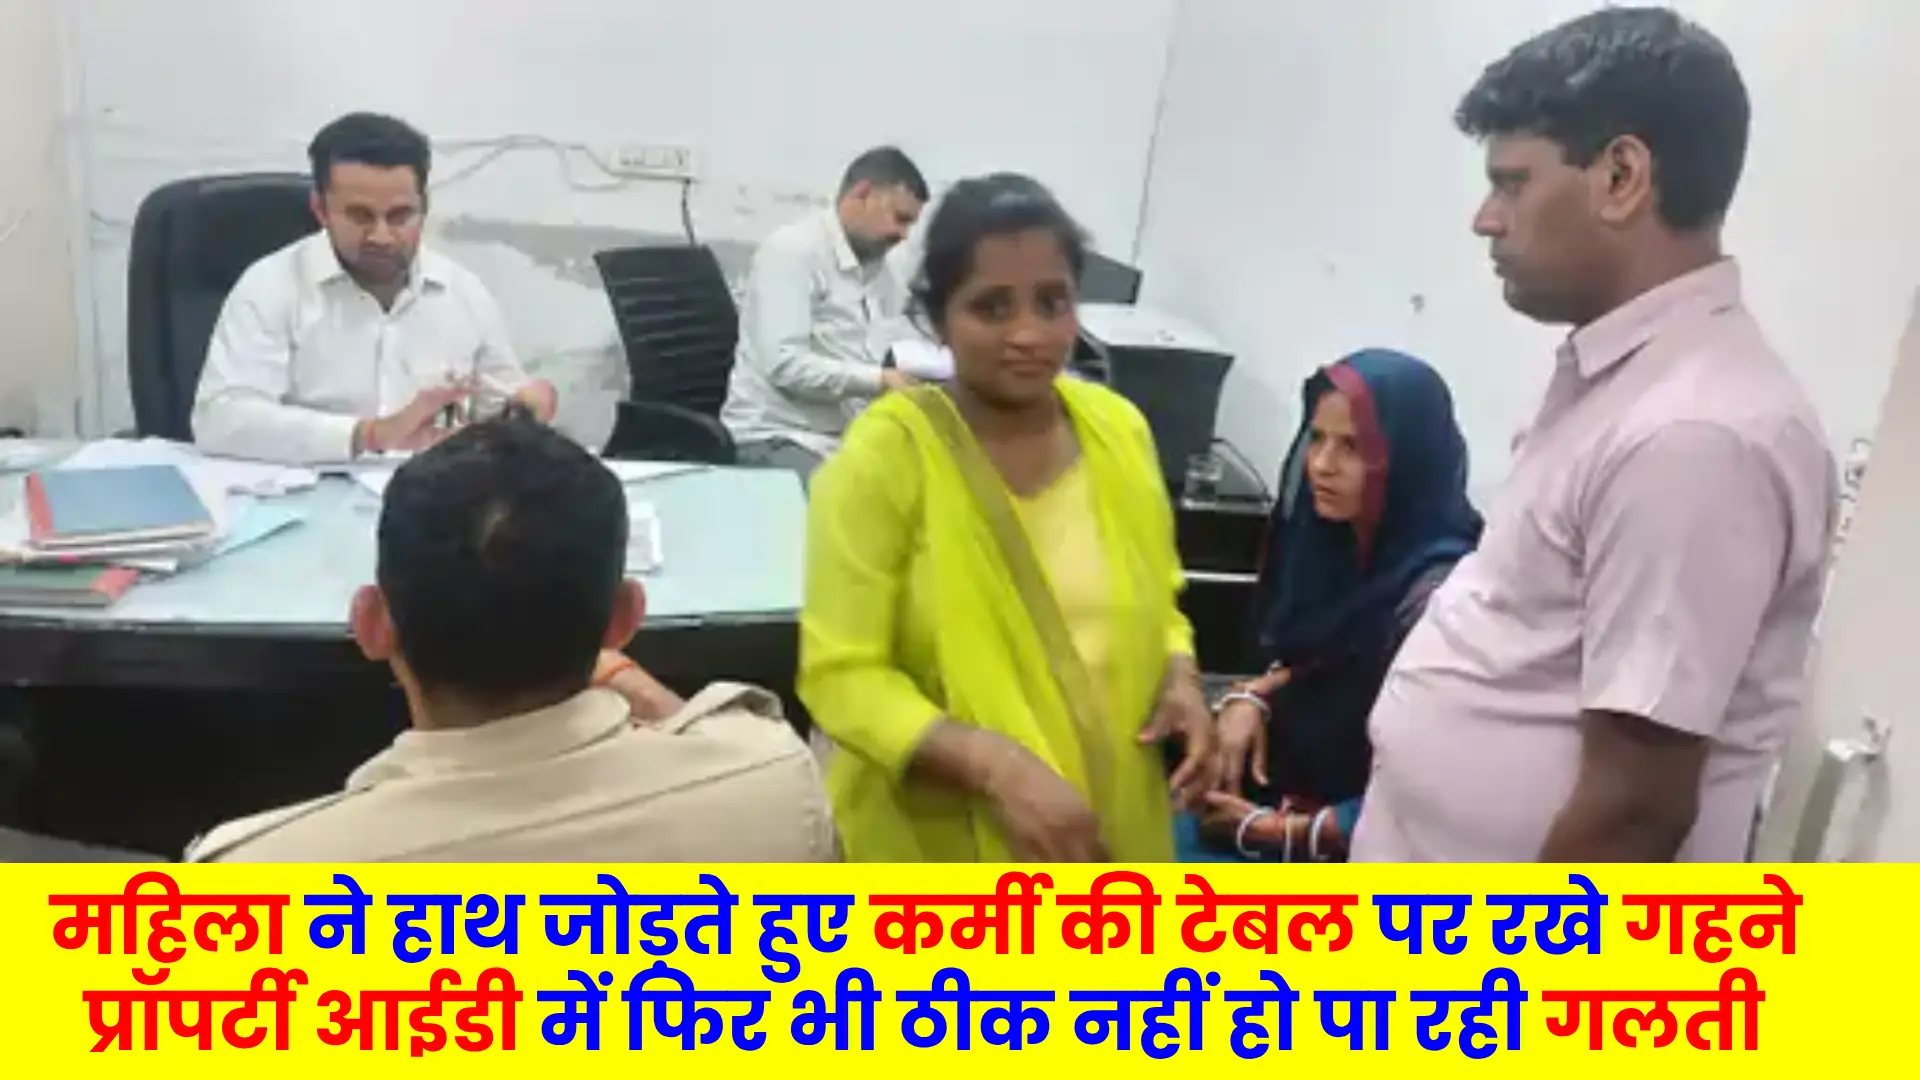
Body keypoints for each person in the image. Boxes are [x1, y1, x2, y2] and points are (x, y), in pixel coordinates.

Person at [1352, 6, 1836, 863]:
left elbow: (1633, 811)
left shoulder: (1693, 436)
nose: (1486, 218)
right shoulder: (1622, 380)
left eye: (1513, 182)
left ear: (1621, 177)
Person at [186, 407, 835, 862]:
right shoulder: (775, 784)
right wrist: (622, 672)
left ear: (373, 625)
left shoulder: (254, 876)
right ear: (625, 619)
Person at [798, 172, 1216, 862]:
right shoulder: (887, 458)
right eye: (992, 308)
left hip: (1110, 829)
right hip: (946, 846)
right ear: (939, 321)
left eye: (1052, 302)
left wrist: (1181, 678)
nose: (1029, 333)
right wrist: (994, 767)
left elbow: (1161, 598)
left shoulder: (1120, 433)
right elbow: (841, 676)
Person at [1184, 350, 1482, 861]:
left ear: (1407, 458)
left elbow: (1452, 781)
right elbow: (1322, 659)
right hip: (1275, 800)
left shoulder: (1441, 600)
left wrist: (1282, 831)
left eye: (1353, 447)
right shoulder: (1332, 546)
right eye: (1316, 439)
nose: (1321, 465)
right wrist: (1252, 697)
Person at [193, 112, 558, 466]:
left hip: (430, 503)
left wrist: (523, 409)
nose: (382, 237)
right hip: (305, 497)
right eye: (360, 216)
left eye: (400, 216)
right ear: (321, 210)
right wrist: (368, 435)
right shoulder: (271, 285)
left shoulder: (464, 292)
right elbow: (221, 421)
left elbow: (500, 401)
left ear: (424, 208)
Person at [721, 146, 930, 482]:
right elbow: (785, 365)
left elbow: (896, 338)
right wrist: (880, 380)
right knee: (854, 514)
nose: (903, 235)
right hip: (778, 437)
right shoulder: (792, 252)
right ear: (862, 195)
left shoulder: (884, 268)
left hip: (848, 436)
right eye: (900, 218)